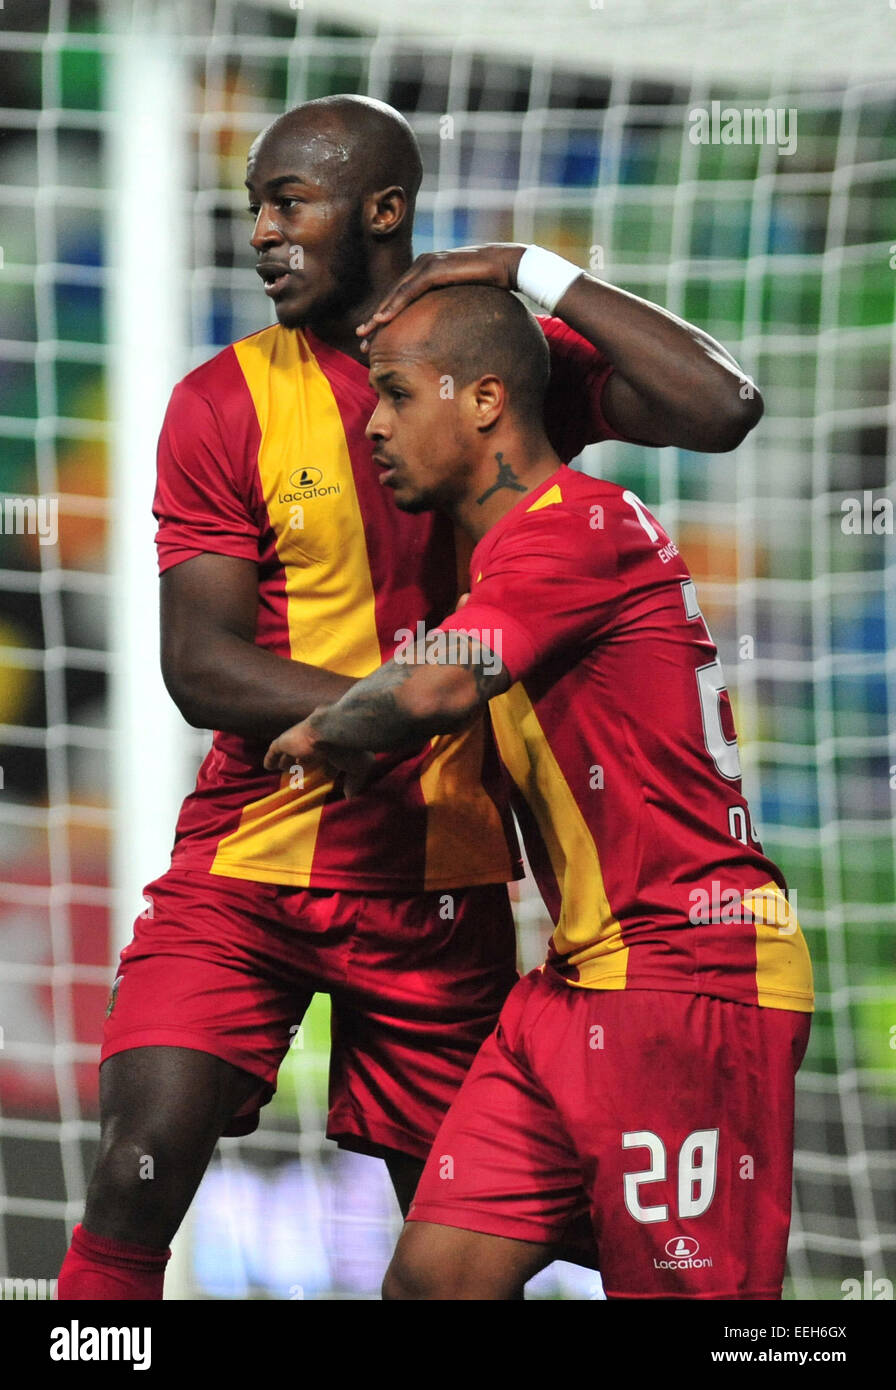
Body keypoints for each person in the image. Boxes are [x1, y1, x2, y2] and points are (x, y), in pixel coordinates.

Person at [59, 93, 762, 1300]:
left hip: (442, 887)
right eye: (253, 211)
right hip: (253, 854)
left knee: (448, 1267)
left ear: (384, 211)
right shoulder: (221, 402)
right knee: (132, 1170)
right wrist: (405, 709)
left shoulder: (491, 368)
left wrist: (531, 271)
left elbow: (720, 406)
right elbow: (200, 668)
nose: (262, 235)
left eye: (289, 203)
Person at [265, 283, 813, 1301]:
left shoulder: (575, 525)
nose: (373, 424)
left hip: (685, 978)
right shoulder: (522, 551)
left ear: (481, 401)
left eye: (392, 395)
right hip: (574, 986)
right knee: (432, 1281)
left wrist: (317, 732)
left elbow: (431, 684)